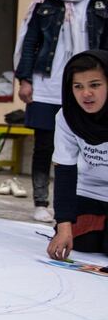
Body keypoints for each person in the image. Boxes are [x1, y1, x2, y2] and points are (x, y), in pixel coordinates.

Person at [15, 0, 108, 223]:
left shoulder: (100, 3)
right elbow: (30, 43)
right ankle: (41, 201)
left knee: (86, 146)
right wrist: (25, 79)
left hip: (85, 85)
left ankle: (74, 204)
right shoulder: (46, 1)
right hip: (48, 82)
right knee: (44, 144)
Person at [47, 50, 108, 260]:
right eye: (78, 86)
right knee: (80, 241)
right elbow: (65, 171)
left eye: (95, 85)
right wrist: (63, 228)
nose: (86, 94)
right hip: (88, 192)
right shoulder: (67, 117)